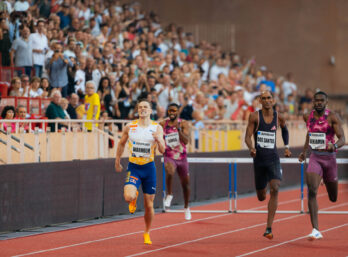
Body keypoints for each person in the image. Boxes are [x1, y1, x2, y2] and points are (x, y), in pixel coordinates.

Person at [115, 99, 165, 245]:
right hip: (134, 167)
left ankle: (147, 232)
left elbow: (163, 150)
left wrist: (159, 141)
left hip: (149, 168)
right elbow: (121, 143)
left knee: (149, 205)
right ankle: (134, 196)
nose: (142, 109)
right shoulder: (130, 126)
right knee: (128, 197)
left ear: (150, 111)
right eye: (140, 107)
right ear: (137, 110)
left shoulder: (157, 128)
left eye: (145, 107)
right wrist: (117, 160)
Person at [298, 91, 345, 240]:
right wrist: (304, 152)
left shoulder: (332, 117)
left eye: (321, 101)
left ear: (326, 102)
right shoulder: (308, 116)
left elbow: (343, 138)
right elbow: (309, 134)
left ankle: (326, 178)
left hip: (329, 159)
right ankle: (315, 230)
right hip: (315, 157)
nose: (318, 103)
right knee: (312, 190)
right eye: (316, 100)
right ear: (313, 102)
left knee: (333, 198)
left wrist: (335, 146)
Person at [244, 90, 291, 239]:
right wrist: (251, 148)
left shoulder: (279, 117)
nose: (266, 100)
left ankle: (269, 228)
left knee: (275, 188)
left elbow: (285, 129)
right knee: (261, 197)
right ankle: (261, 189)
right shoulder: (254, 116)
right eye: (263, 98)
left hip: (273, 159)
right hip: (259, 160)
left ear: (273, 100)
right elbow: (247, 136)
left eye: (269, 98)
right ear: (260, 101)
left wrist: (287, 146)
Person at [160, 103, 192, 220]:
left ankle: (187, 207)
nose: (172, 113)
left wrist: (178, 130)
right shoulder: (163, 123)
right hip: (169, 155)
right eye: (170, 111)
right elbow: (156, 134)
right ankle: (169, 194)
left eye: (174, 111)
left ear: (178, 112)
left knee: (186, 185)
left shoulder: (183, 123)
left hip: (182, 157)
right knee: (169, 170)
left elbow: (186, 141)